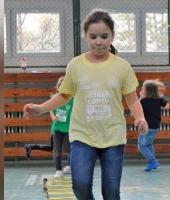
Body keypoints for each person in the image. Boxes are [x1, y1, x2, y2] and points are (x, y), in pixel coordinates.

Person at [23, 9, 148, 200]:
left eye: (104, 36)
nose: (99, 41)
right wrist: (40, 108)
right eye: (93, 36)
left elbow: (131, 98)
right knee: (80, 186)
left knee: (111, 192)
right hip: (82, 136)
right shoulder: (75, 65)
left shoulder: (122, 66)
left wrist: (140, 118)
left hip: (113, 136)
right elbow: (64, 96)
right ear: (85, 36)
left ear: (112, 36)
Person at [138, 79, 170, 171]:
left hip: (146, 126)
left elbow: (137, 109)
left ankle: (153, 161)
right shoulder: (159, 99)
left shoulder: (143, 101)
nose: (141, 89)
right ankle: (152, 162)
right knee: (148, 144)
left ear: (147, 90)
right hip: (155, 126)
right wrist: (160, 98)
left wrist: (140, 97)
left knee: (142, 145)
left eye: (143, 88)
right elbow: (167, 106)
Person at [49, 76, 73, 178]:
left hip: (68, 128)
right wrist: (53, 116)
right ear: (58, 87)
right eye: (60, 85)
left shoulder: (73, 98)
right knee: (57, 150)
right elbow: (50, 108)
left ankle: (70, 166)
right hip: (57, 128)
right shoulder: (54, 97)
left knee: (68, 149)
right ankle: (58, 170)